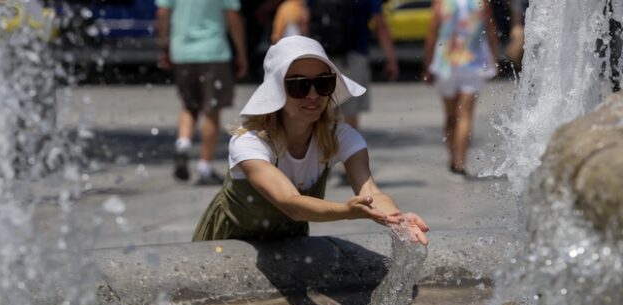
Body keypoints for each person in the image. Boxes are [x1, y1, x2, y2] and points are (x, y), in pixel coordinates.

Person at [193, 36, 428, 244]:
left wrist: (397, 220)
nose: (313, 94)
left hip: (289, 244)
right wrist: (346, 210)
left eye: (323, 82)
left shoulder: (340, 136)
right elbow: (291, 203)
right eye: (299, 86)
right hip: (226, 243)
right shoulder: (250, 141)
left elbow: (372, 193)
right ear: (276, 92)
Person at [156, 0, 248, 184]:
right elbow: (232, 16)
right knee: (211, 111)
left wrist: (165, 46)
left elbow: (162, 14)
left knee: (189, 106)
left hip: (181, 51)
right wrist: (242, 53)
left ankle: (183, 145)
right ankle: (205, 167)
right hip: (213, 52)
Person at [423, 0, 500, 177]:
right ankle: (460, 162)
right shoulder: (481, 2)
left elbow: (432, 33)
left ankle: (453, 158)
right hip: (472, 63)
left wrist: (427, 64)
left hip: (446, 64)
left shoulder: (441, 3)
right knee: (465, 115)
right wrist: (494, 59)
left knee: (450, 116)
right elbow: (491, 31)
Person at [308, 0, 399, 131]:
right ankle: (349, 150)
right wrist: (391, 60)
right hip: (354, 57)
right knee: (349, 115)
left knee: (325, 111)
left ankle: (325, 149)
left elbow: (305, 18)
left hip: (323, 58)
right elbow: (380, 24)